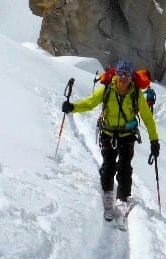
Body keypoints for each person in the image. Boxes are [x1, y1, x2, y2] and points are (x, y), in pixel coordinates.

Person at [61, 60, 160, 221]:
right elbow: (90, 103)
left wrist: (154, 141)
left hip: (127, 136)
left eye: (126, 74)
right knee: (108, 165)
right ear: (115, 74)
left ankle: (122, 198)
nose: (122, 77)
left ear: (131, 77)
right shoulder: (107, 89)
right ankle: (108, 195)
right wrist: (73, 107)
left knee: (125, 167)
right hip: (108, 133)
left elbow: (148, 118)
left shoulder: (136, 94)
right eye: (120, 73)